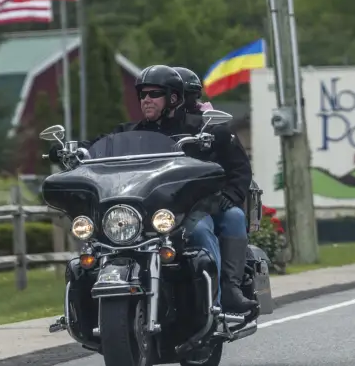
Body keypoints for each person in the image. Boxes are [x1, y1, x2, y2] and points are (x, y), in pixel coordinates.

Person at [75, 64, 257, 314]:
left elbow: (239, 168)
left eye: (153, 94)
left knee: (209, 228)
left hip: (194, 208)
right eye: (142, 95)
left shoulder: (202, 128)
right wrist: (74, 150)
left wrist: (230, 194)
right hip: (148, 210)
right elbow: (98, 145)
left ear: (173, 98)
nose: (146, 100)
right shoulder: (131, 133)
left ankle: (223, 295)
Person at [170, 66, 258, 314]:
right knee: (198, 228)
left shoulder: (213, 126)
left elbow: (240, 168)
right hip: (169, 206)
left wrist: (231, 195)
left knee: (233, 217)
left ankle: (228, 290)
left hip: (209, 203)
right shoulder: (154, 128)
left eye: (185, 95)